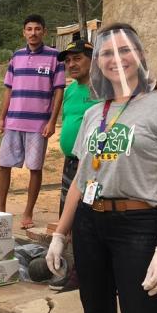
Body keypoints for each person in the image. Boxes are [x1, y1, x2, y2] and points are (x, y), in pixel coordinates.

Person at [45, 23, 157, 313]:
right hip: (89, 225)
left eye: (124, 50)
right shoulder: (94, 113)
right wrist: (59, 233)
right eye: (107, 53)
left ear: (140, 55)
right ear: (99, 62)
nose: (116, 59)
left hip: (138, 229)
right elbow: (82, 180)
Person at [0, 14, 65, 228]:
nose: (33, 33)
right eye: (29, 29)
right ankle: (0, 210)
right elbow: (9, 90)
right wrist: (1, 118)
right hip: (14, 121)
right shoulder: (16, 57)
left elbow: (59, 91)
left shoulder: (55, 57)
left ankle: (28, 213)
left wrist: (52, 121)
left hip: (38, 125)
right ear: (23, 32)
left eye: (37, 29)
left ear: (44, 31)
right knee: (3, 165)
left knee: (35, 168)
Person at [51, 38, 98, 293]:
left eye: (77, 58)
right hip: (70, 163)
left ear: (93, 59)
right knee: (66, 218)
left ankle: (83, 275)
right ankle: (67, 269)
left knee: (85, 220)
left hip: (92, 164)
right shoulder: (70, 91)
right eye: (68, 61)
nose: (71, 64)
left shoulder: (102, 90)